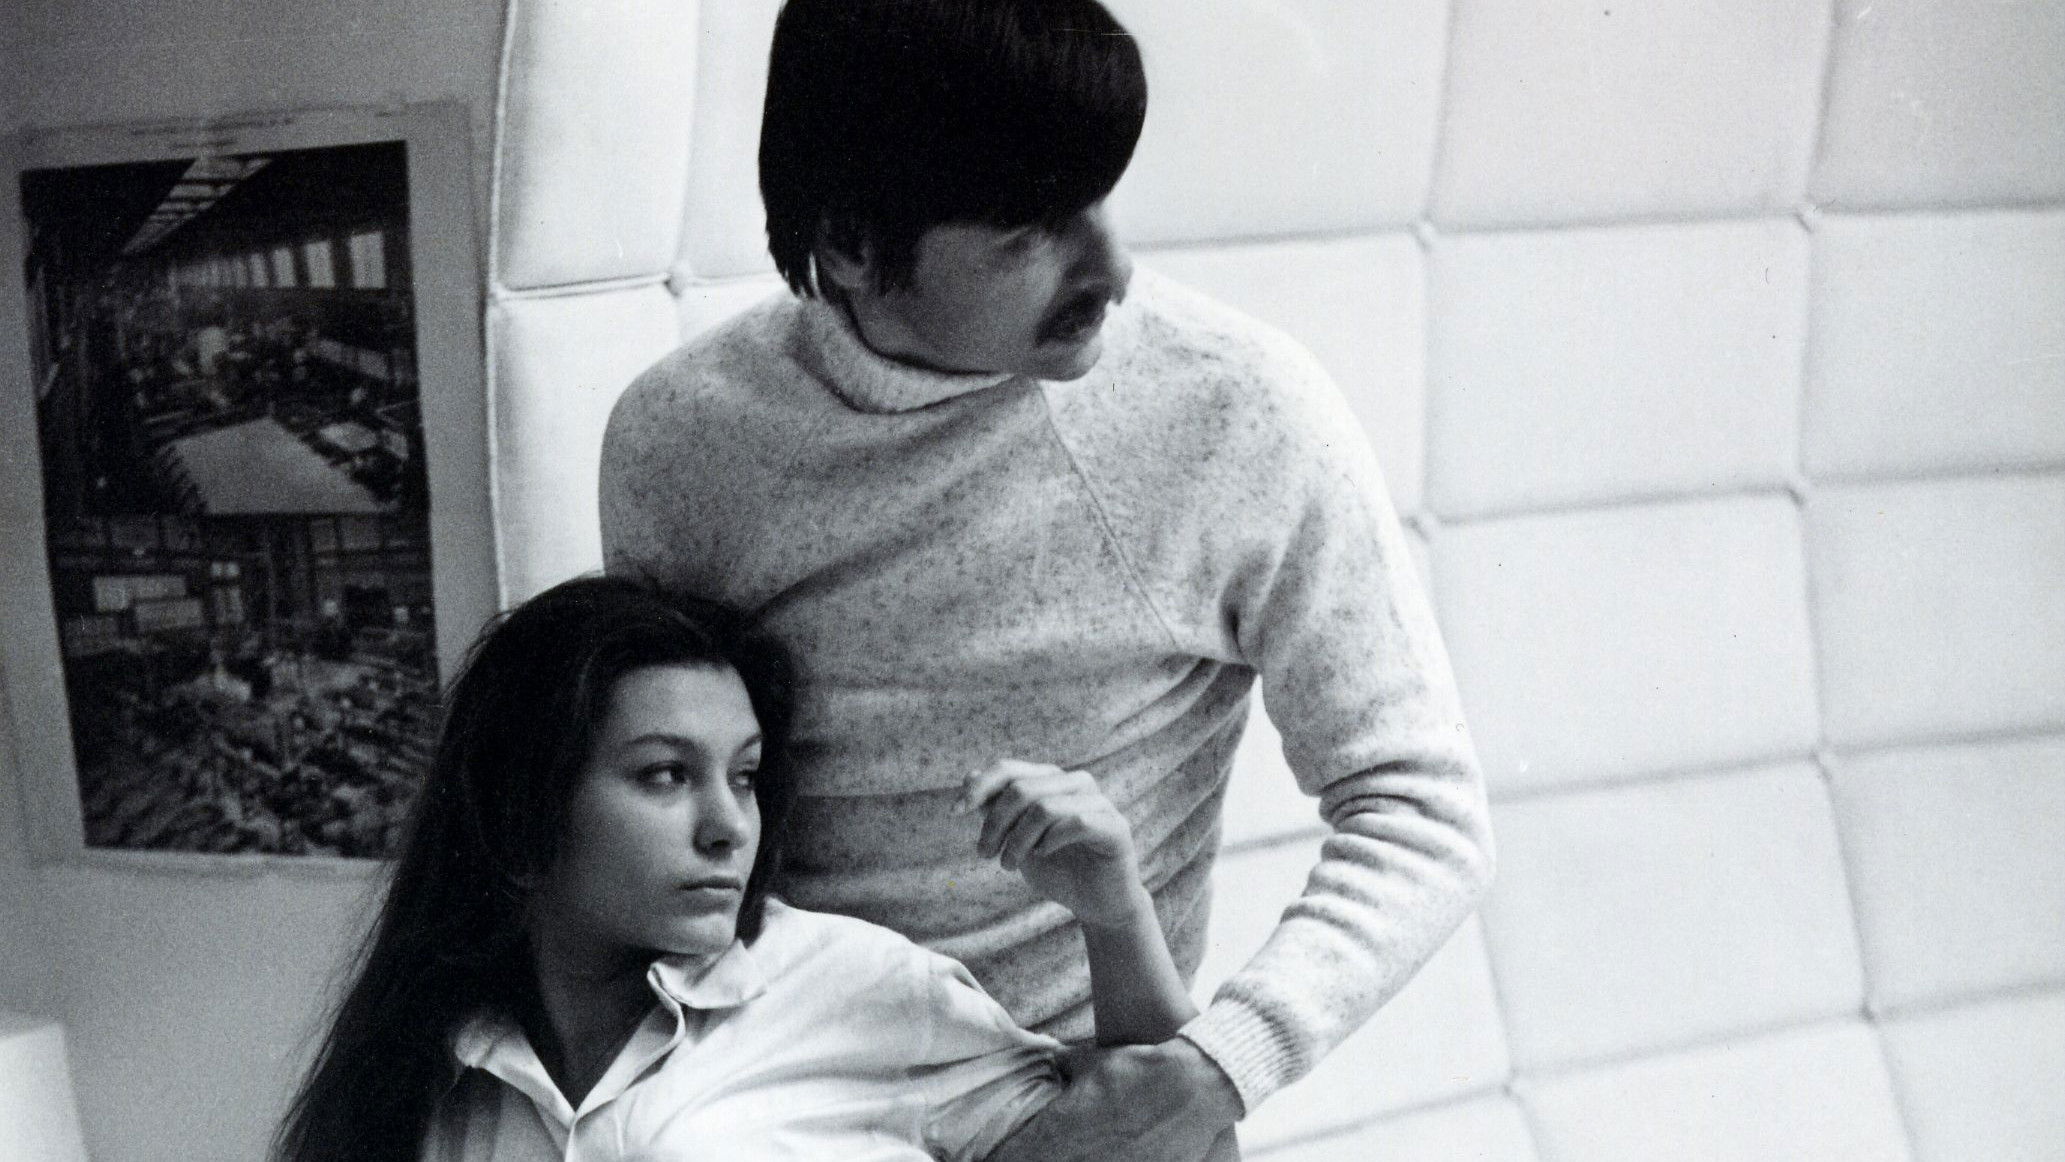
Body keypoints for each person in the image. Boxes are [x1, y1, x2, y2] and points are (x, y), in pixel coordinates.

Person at [599, 1, 1495, 1156]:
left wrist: (1210, 1070)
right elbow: (660, 810)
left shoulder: (1234, 409)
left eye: (1101, 196)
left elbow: (1419, 808)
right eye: (1031, 230)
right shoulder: (680, 440)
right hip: (770, 1092)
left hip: (1079, 1095)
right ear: (852, 244)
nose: (1112, 269)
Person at [274, 575, 1219, 1161]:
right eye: (665, 776)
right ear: (522, 800)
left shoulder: (856, 987)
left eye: (745, 776)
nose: (730, 828)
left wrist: (1114, 917)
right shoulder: (433, 1061)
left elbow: (1177, 1144)